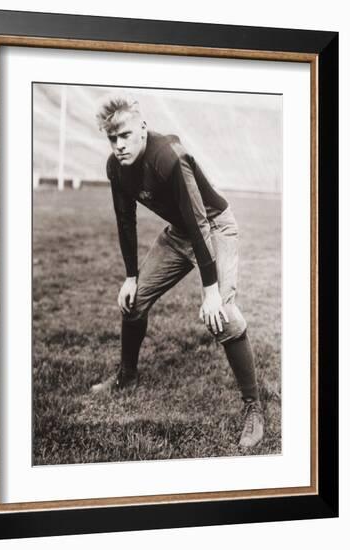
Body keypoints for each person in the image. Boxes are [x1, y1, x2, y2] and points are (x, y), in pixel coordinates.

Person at [91, 92, 264, 448]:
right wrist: (130, 276)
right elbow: (125, 221)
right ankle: (127, 375)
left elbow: (201, 221)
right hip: (179, 233)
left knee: (224, 315)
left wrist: (211, 290)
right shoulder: (116, 167)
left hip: (214, 227)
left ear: (142, 127)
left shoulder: (169, 156)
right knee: (133, 302)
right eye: (112, 138)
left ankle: (254, 406)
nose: (119, 145)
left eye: (125, 135)